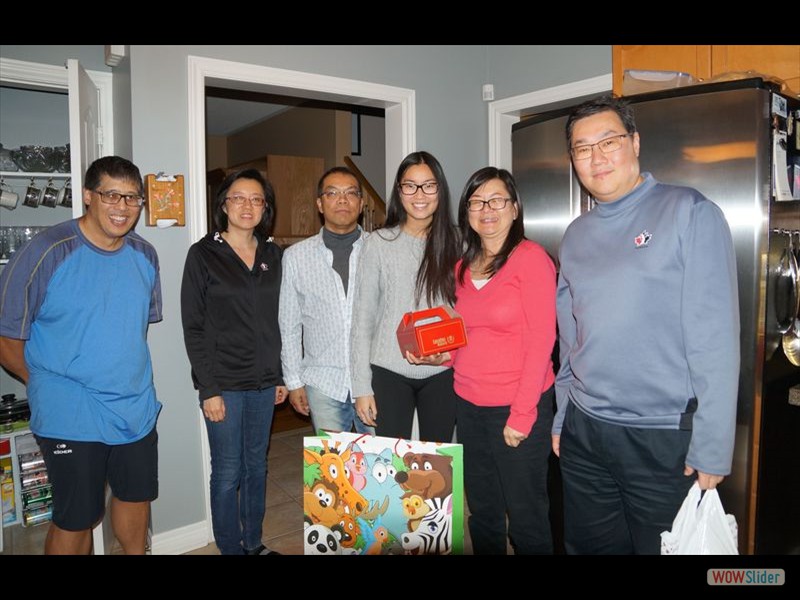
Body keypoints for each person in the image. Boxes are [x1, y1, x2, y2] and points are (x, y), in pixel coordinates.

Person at [553, 95, 740, 555]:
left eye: (608, 141)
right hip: (585, 430)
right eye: (582, 148)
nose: (596, 157)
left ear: (634, 143)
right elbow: (569, 337)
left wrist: (714, 445)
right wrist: (561, 416)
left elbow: (715, 337)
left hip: (661, 439)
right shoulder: (575, 235)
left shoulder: (689, 212)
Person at [0, 156, 162, 555]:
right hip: (71, 411)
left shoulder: (146, 254)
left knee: (136, 496)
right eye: (111, 195)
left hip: (135, 406)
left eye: (132, 198)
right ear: (88, 196)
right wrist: (42, 383)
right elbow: (7, 337)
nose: (122, 208)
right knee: (76, 516)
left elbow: (135, 327)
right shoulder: (46, 251)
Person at [410, 167, 557, 554]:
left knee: (526, 513)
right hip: (470, 404)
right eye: (476, 202)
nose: (486, 209)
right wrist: (439, 357)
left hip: (517, 405)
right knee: (484, 509)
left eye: (496, 200)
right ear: (467, 213)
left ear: (514, 208)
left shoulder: (532, 259)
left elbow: (543, 339)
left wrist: (523, 414)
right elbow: (465, 336)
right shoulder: (462, 267)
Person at [180, 168, 288, 556]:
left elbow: (282, 319)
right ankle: (230, 547)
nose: (247, 206)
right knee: (227, 471)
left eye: (256, 199)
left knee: (256, 466)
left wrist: (281, 375)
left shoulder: (275, 255)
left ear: (265, 208)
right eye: (238, 198)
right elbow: (193, 327)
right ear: (223, 204)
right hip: (222, 382)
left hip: (264, 381)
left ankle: (254, 543)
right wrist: (207, 389)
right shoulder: (203, 254)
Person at [350, 151, 460, 442]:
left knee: (437, 467)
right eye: (410, 185)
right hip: (388, 371)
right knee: (391, 466)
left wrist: (448, 355)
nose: (419, 194)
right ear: (399, 191)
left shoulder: (458, 242)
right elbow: (362, 319)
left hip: (442, 372)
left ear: (440, 190)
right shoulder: (378, 243)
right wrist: (361, 388)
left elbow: (466, 310)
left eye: (428, 185)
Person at [279, 166, 373, 435]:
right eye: (332, 193)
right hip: (322, 383)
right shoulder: (297, 257)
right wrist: (294, 381)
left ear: (361, 203)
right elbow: (289, 325)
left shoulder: (378, 250)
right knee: (334, 473)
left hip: (373, 381)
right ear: (320, 203)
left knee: (382, 470)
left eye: (350, 193)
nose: (342, 200)